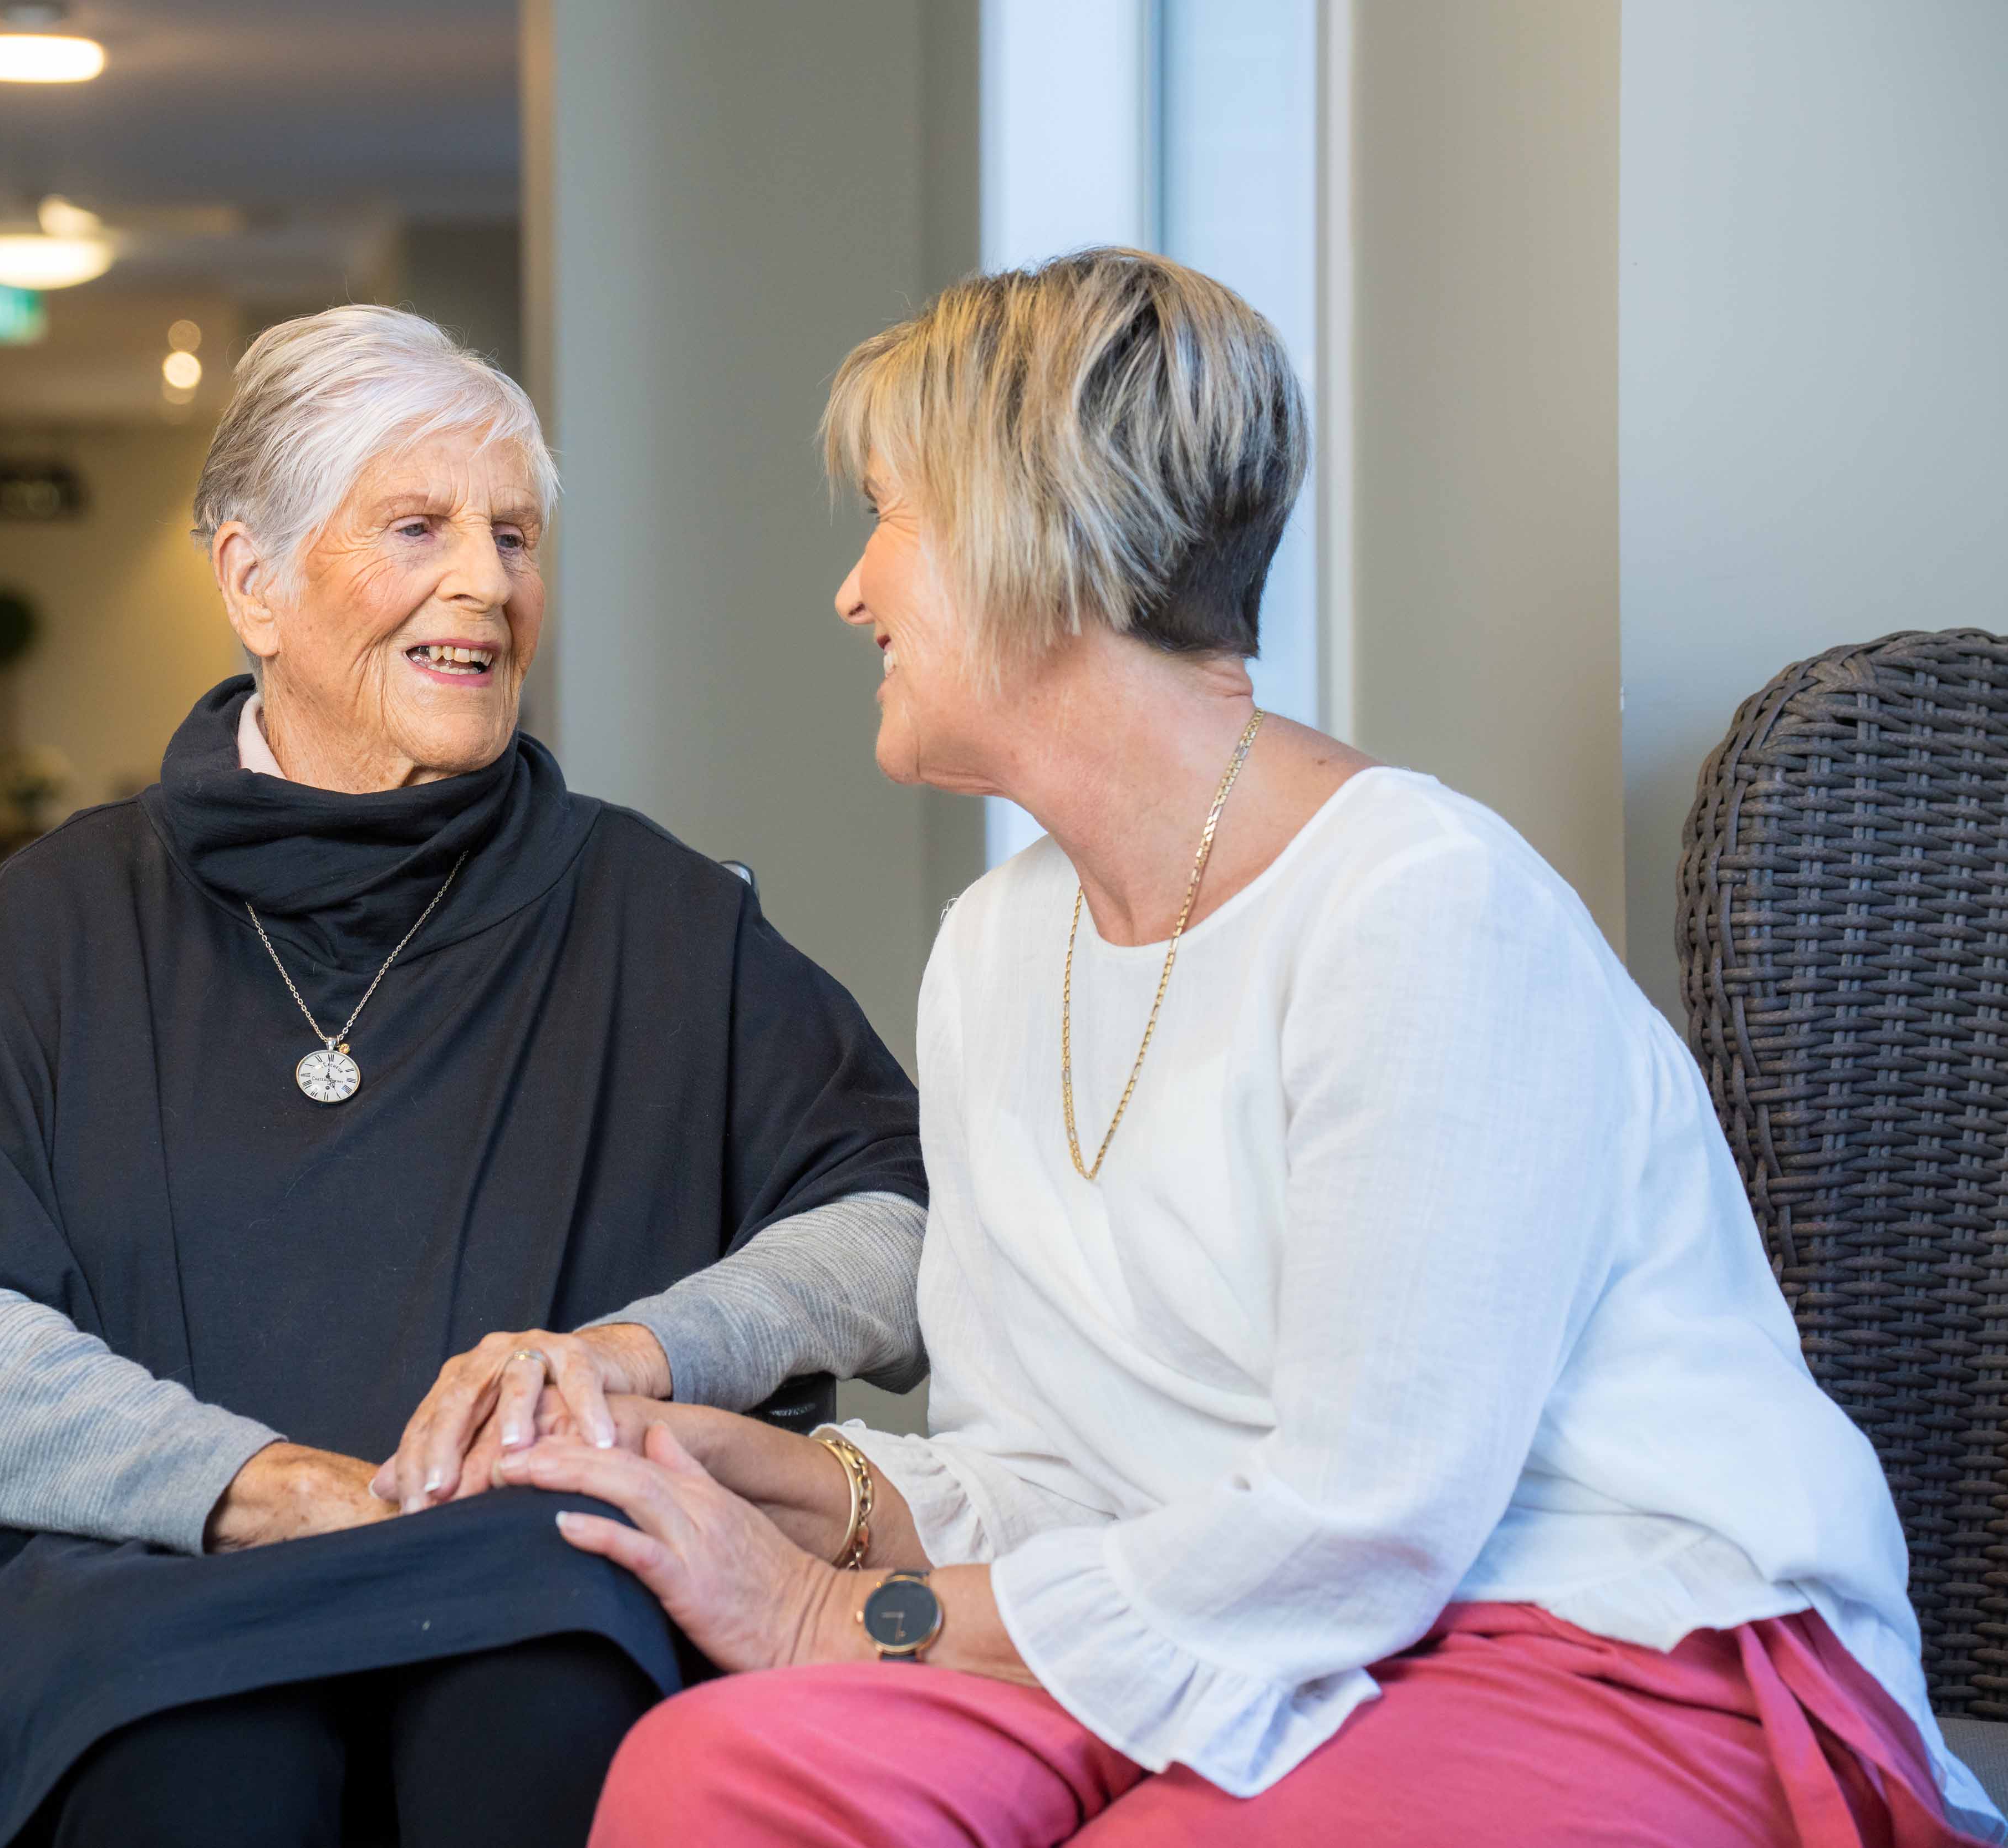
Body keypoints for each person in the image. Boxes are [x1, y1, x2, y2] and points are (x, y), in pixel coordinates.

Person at [483, 249, 2006, 1846]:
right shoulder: (993, 951)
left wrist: (825, 1616)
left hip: (1594, 1627)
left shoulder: (1424, 907)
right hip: (1220, 1614)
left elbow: (1367, 1527)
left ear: (1036, 535)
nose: (854, 589)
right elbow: (1064, 1473)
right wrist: (813, 1494)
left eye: (890, 515)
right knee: (714, 1777)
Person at [0, 304, 929, 1848]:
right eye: (418, 526)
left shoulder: (662, 919)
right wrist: (265, 1483)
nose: (485, 583)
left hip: (529, 1565)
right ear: (252, 580)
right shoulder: (53, 922)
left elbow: (889, 1236)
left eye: (514, 537)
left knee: (545, 1723)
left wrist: (639, 1355)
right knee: (195, 1778)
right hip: (130, 1574)